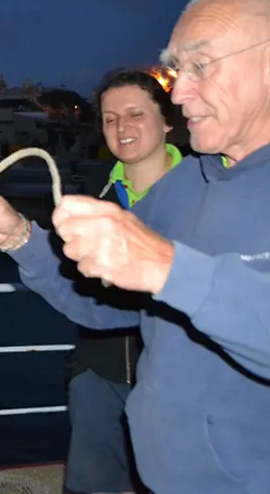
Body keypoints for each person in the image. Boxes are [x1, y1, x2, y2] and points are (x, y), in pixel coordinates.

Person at [0, 0, 270, 493]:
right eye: (177, 71)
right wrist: (18, 236)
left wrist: (168, 267)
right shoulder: (186, 185)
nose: (180, 91)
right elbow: (101, 306)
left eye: (200, 66)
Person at [63, 69, 182, 494]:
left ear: (167, 120)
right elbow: (69, 286)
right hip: (101, 377)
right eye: (110, 119)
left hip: (180, 385)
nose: (121, 127)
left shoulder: (209, 189)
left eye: (135, 114)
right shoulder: (93, 197)